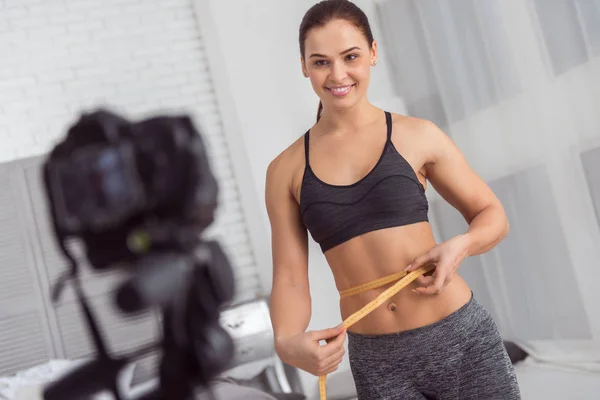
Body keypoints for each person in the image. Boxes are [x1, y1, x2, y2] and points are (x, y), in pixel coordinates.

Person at [264, 1, 522, 399]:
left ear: (372, 52)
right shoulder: (285, 170)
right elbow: (290, 277)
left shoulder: (417, 135)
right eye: (320, 62)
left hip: (460, 340)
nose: (338, 75)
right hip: (377, 361)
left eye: (350, 56)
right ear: (303, 66)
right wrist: (286, 341)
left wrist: (461, 245)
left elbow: (493, 215)